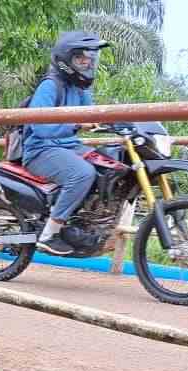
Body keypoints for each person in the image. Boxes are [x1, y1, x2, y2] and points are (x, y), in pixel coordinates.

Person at [23, 31, 110, 256]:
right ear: (66, 59)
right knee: (81, 173)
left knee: (109, 164)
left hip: (67, 147)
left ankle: (81, 222)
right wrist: (76, 125)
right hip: (40, 149)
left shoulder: (79, 88)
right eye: (81, 57)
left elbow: (91, 115)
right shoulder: (50, 86)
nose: (88, 62)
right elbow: (39, 127)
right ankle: (50, 233)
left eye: (90, 57)